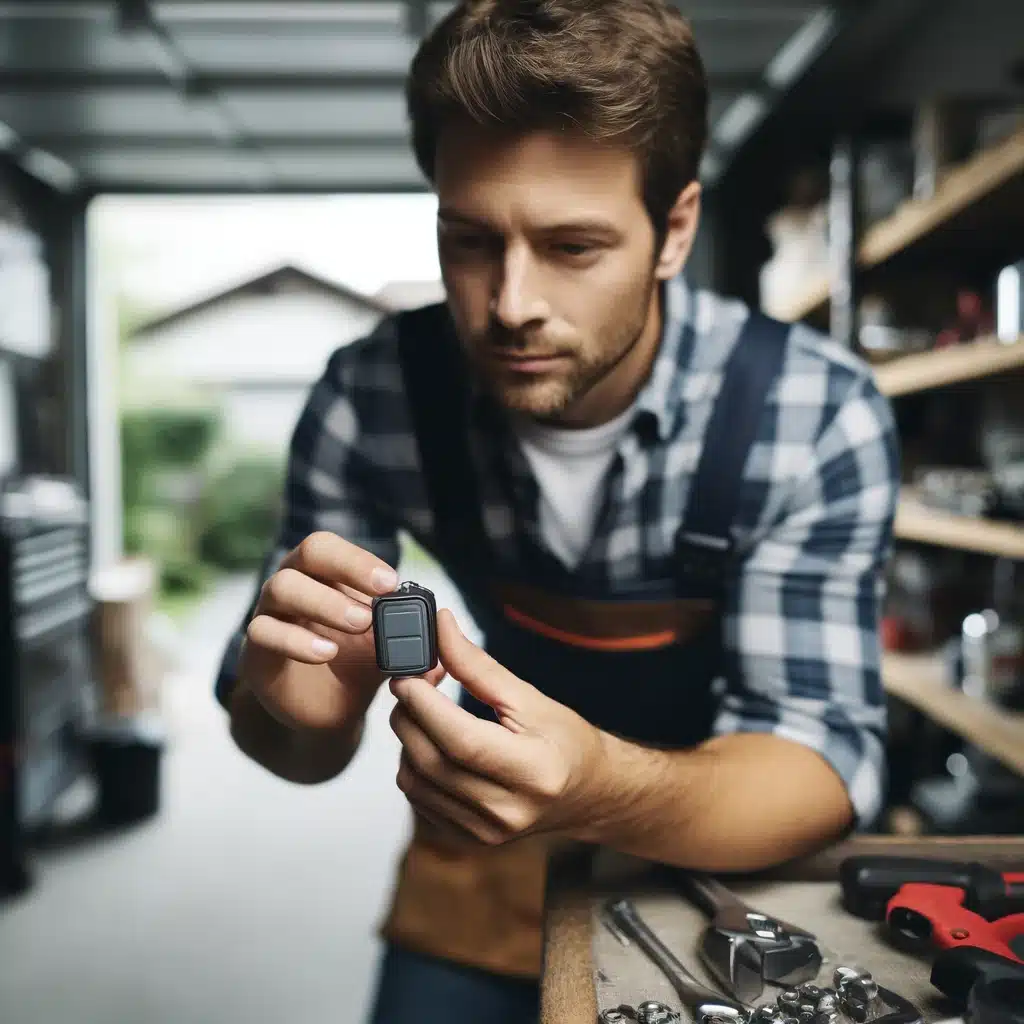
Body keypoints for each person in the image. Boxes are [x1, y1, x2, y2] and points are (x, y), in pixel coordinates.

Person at [214, 2, 901, 1021]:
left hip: (723, 862)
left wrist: (593, 785)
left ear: (674, 231)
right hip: (482, 857)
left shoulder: (811, 413)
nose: (509, 303)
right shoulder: (372, 395)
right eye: (469, 239)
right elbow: (295, 749)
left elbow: (818, 755)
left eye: (573, 246)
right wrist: (295, 712)